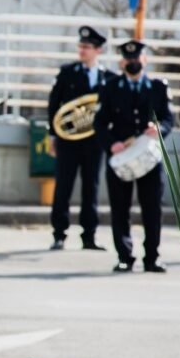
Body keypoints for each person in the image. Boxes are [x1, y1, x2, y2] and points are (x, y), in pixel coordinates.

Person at [93, 40, 173, 273]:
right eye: (128, 60)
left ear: (144, 60)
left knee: (152, 208)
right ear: (122, 61)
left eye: (137, 59)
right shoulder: (110, 87)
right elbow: (98, 123)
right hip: (121, 157)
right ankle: (124, 256)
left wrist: (158, 130)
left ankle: (152, 257)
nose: (132, 63)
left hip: (150, 158)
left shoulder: (158, 87)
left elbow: (168, 119)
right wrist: (111, 144)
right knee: (120, 208)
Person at [47, 25, 115, 251]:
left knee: (91, 188)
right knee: (63, 186)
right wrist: (52, 134)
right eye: (81, 46)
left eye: (87, 47)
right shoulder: (67, 72)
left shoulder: (109, 78)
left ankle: (89, 236)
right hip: (68, 141)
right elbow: (53, 104)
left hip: (94, 142)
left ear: (98, 50)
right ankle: (59, 234)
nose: (82, 50)